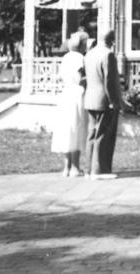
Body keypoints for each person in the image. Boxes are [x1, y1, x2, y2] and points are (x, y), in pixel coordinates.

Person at [84, 29, 121, 180]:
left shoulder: (89, 54)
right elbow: (109, 81)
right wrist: (114, 101)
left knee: (92, 134)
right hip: (104, 100)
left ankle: (88, 169)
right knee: (103, 135)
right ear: (112, 40)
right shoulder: (108, 55)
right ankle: (99, 170)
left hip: (90, 98)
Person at [50, 32, 89, 177]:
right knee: (76, 128)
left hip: (65, 93)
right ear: (82, 45)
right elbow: (80, 78)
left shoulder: (65, 58)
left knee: (66, 129)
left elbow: (61, 77)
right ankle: (75, 166)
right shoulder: (81, 58)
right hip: (77, 94)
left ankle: (66, 166)